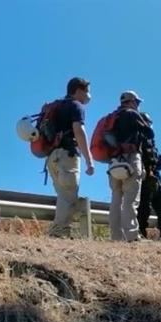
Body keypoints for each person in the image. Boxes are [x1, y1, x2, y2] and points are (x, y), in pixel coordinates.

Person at [47, 77, 95, 238]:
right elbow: (79, 131)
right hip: (68, 154)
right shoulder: (76, 106)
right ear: (79, 90)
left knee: (63, 194)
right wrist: (89, 160)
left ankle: (59, 232)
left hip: (52, 156)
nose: (89, 95)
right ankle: (59, 233)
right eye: (87, 91)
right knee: (68, 196)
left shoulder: (58, 106)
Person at [107, 90, 153, 242]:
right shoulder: (133, 114)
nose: (138, 105)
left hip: (114, 161)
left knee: (116, 198)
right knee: (131, 199)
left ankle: (116, 236)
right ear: (132, 101)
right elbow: (149, 133)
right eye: (137, 102)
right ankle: (132, 236)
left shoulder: (113, 117)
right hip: (131, 157)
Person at [137, 112, 161, 242]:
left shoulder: (151, 141)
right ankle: (141, 233)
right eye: (148, 122)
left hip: (155, 179)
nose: (150, 125)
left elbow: (152, 160)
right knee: (144, 208)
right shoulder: (138, 137)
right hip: (144, 178)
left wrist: (159, 164)